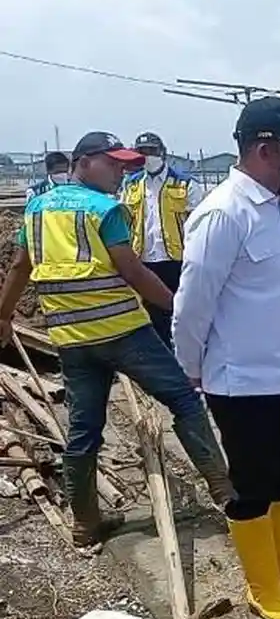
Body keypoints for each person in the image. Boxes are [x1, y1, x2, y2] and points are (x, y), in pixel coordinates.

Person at [0, 132, 232, 548]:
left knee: (83, 430)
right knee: (183, 400)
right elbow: (134, 271)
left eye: (125, 166)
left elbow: (20, 267)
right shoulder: (105, 209)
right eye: (113, 164)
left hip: (71, 338)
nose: (121, 172)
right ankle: (225, 491)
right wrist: (181, 310)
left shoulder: (36, 208)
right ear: (84, 162)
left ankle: (85, 523)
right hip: (124, 332)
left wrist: (3, 315)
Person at [173, 96, 280, 619]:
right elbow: (193, 303)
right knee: (253, 482)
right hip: (242, 380)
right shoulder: (224, 213)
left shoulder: (279, 208)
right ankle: (263, 586)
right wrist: (190, 366)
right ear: (266, 150)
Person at [118, 132, 203, 346]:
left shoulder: (185, 183)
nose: (147, 156)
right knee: (152, 316)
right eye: (142, 152)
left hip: (177, 260)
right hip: (144, 261)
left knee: (183, 312)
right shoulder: (131, 185)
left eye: (151, 151)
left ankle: (186, 354)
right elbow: (125, 221)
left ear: (162, 153)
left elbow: (198, 225)